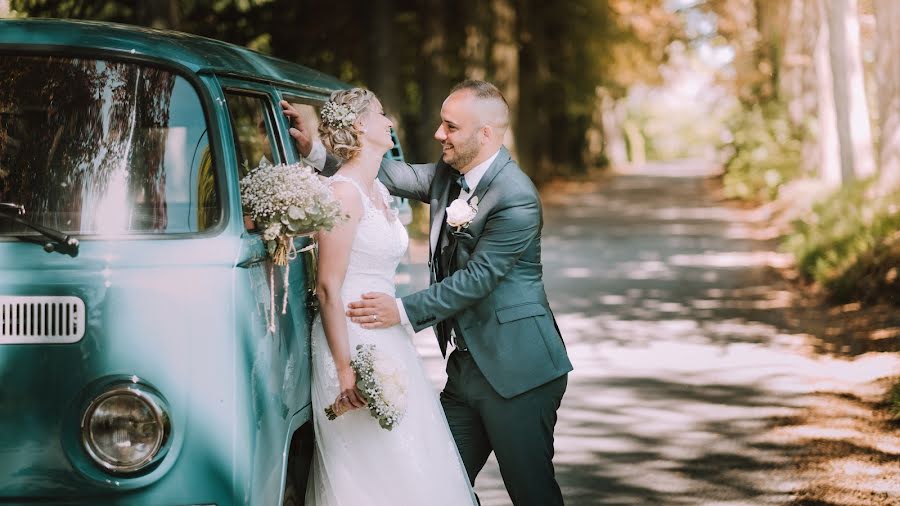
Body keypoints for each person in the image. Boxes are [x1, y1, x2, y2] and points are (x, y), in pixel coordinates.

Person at [285, 80, 573, 506]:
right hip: (465, 372)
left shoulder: (517, 197)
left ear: (486, 135)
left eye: (450, 127)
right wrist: (316, 150)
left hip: (519, 371)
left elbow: (477, 278)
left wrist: (399, 311)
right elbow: (375, 169)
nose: (439, 134)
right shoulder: (447, 176)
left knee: (532, 492)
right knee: (433, 481)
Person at [302, 88, 477, 505]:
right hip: (349, 338)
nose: (390, 121)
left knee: (410, 457)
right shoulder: (343, 193)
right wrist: (345, 371)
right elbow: (328, 286)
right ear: (360, 125)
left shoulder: (380, 191)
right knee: (368, 466)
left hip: (389, 339)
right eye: (381, 114)